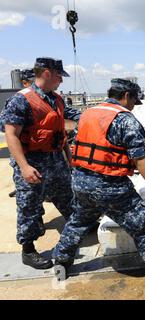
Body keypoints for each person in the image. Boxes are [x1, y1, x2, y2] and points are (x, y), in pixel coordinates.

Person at [52, 78, 145, 286]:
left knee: (79, 221)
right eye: (134, 101)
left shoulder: (88, 114)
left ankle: (61, 259)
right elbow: (141, 160)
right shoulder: (126, 120)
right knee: (143, 224)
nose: (134, 106)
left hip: (80, 181)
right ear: (126, 96)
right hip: (109, 186)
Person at [0, 57, 81, 269]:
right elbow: (11, 135)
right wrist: (24, 167)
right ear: (46, 73)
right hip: (32, 161)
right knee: (29, 206)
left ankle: (77, 227)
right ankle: (28, 250)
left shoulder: (56, 99)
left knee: (67, 196)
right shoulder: (21, 100)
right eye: (58, 76)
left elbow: (66, 124)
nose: (61, 81)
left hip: (56, 159)